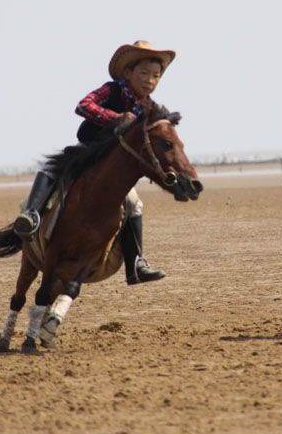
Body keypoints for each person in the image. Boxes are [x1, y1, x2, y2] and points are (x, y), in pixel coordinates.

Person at [13, 40, 175, 285]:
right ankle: (31, 216)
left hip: (115, 167)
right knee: (49, 169)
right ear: (128, 72)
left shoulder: (148, 108)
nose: (150, 80)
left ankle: (136, 264)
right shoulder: (111, 90)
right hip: (87, 152)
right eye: (144, 73)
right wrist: (115, 117)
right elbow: (83, 106)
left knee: (134, 203)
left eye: (156, 76)